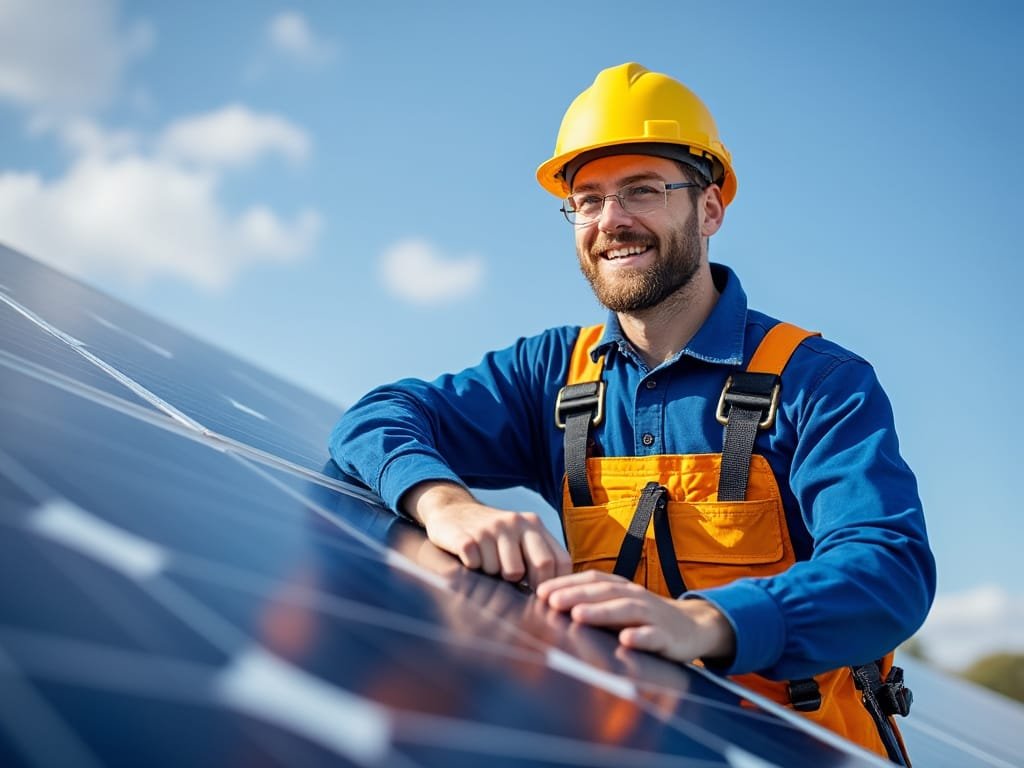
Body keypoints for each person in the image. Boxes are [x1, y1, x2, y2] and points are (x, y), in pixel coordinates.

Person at [329, 62, 935, 763]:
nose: (610, 221)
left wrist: (707, 623)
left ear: (709, 209)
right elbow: (377, 416)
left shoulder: (819, 382)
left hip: (799, 749)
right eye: (587, 200)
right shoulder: (553, 373)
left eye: (642, 191)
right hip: (617, 744)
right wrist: (446, 506)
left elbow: (889, 569)